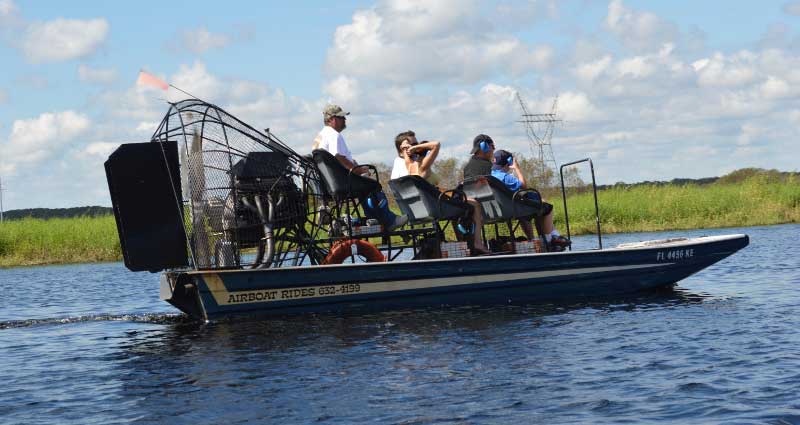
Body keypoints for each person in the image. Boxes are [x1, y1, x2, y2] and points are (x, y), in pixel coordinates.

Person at [313, 104, 408, 230]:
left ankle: (373, 219)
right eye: (342, 117)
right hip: (342, 182)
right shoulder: (334, 135)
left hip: (330, 184)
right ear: (332, 119)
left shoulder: (320, 137)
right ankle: (389, 220)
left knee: (365, 184)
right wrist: (359, 170)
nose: (345, 120)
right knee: (373, 186)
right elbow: (339, 158)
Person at [393, 131, 489, 254]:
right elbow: (436, 144)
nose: (416, 147)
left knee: (458, 203)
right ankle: (477, 243)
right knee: (474, 204)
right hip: (433, 206)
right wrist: (417, 148)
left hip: (420, 208)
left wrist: (408, 150)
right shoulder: (421, 167)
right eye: (413, 144)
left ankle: (463, 244)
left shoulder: (404, 164)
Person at [490, 149, 571, 250]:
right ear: (509, 162)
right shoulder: (505, 177)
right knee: (547, 207)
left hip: (502, 209)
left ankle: (545, 238)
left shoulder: (491, 175)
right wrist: (517, 168)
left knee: (536, 207)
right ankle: (550, 238)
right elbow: (523, 185)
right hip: (514, 209)